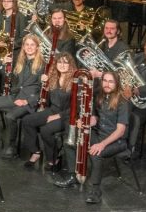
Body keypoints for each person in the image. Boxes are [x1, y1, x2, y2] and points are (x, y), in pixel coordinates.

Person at [55, 70, 130, 204]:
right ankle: (73, 175)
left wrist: (102, 145)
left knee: (96, 154)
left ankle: (96, 190)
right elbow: (95, 119)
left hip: (116, 140)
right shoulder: (100, 97)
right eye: (105, 81)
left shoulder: (122, 102)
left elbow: (120, 131)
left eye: (111, 81)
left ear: (117, 84)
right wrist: (86, 122)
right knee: (70, 142)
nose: (107, 84)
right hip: (99, 134)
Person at [0, 34, 44, 158]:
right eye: (26, 44)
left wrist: (27, 101)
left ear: (37, 47)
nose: (29, 47)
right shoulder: (19, 61)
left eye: (32, 45)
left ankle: (11, 147)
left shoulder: (43, 65)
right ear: (23, 46)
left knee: (11, 116)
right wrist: (4, 65)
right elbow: (5, 77)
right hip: (15, 96)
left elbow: (43, 90)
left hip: (29, 101)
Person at [20, 53, 77, 171]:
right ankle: (35, 151)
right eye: (59, 62)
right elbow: (47, 102)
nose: (62, 65)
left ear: (70, 65)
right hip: (52, 110)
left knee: (46, 130)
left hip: (67, 116)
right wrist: (44, 86)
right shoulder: (53, 78)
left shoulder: (76, 82)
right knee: (27, 120)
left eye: (65, 62)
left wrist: (57, 116)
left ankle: (54, 158)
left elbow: (76, 108)